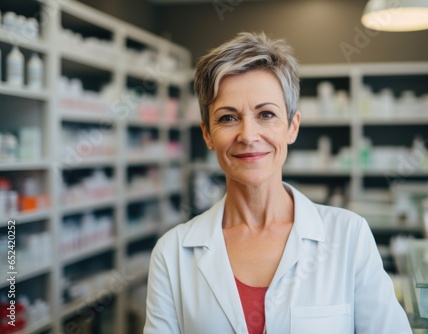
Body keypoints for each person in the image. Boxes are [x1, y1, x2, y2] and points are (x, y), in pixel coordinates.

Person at [144, 32, 412, 334]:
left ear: (292, 127)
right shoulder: (172, 254)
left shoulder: (349, 236)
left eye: (266, 114)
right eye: (228, 118)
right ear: (207, 134)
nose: (248, 135)